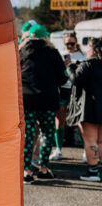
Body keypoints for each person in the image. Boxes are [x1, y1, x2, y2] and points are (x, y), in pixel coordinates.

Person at [19, 24, 68, 182]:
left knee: (28, 135)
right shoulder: (52, 52)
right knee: (47, 133)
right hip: (47, 100)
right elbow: (63, 78)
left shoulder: (20, 52)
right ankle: (43, 168)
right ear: (44, 37)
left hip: (26, 100)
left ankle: (26, 172)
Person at [68, 37, 102, 182]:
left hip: (90, 108)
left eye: (88, 47)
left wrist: (70, 67)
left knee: (91, 141)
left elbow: (75, 79)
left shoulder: (87, 65)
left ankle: (93, 171)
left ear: (94, 50)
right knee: (100, 141)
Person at [50, 31, 87, 161]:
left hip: (78, 90)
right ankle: (58, 149)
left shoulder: (83, 55)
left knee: (80, 121)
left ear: (76, 42)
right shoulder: (60, 54)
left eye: (72, 43)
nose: (70, 46)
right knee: (60, 119)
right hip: (63, 89)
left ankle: (86, 152)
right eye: (67, 44)